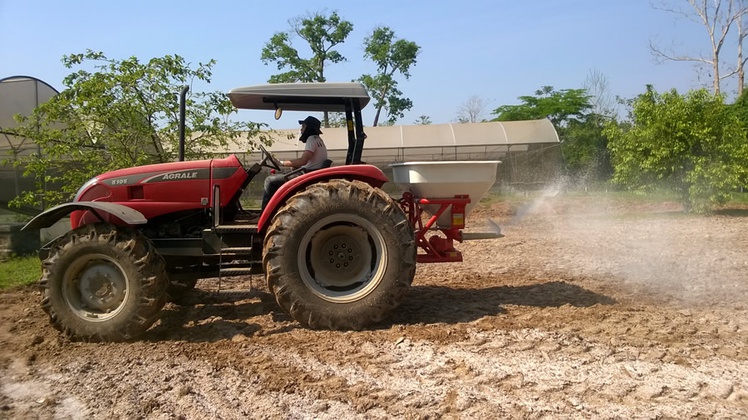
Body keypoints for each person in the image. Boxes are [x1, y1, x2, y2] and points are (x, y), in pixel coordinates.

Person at [261, 115, 328, 210]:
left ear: (309, 128)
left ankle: (264, 213)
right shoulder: (319, 140)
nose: (301, 130)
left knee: (270, 181)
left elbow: (302, 161)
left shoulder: (311, 140)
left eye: (303, 127)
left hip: (307, 174)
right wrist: (295, 167)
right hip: (310, 172)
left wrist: (281, 163)